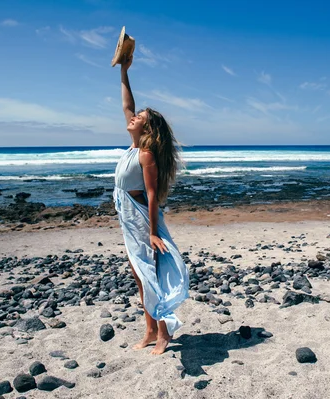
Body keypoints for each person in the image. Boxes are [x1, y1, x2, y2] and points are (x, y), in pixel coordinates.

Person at [113, 53, 190, 355]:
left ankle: (163, 334)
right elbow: (126, 105)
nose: (132, 118)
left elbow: (152, 194)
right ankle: (147, 329)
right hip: (128, 220)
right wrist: (124, 71)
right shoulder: (133, 147)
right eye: (134, 116)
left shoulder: (145, 155)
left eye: (139, 118)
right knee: (138, 274)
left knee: (152, 274)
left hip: (142, 220)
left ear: (147, 130)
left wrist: (154, 232)